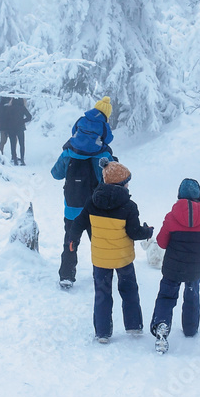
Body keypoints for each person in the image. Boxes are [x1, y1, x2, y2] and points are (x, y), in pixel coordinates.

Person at [66, 161, 153, 343]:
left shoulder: (92, 202)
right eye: (127, 181)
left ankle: (103, 333)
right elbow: (134, 232)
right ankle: (134, 326)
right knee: (129, 290)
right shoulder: (129, 206)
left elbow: (79, 223)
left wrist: (72, 239)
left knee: (102, 294)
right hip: (123, 259)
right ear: (121, 183)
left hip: (101, 259)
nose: (128, 184)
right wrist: (148, 231)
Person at [149, 178, 200, 354]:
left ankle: (162, 325)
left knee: (166, 296)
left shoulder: (171, 217)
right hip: (195, 269)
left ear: (179, 196)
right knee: (192, 295)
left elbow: (161, 243)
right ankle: (190, 329)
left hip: (172, 267)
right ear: (199, 196)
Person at [50, 143, 113, 290]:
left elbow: (56, 174)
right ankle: (102, 274)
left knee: (70, 242)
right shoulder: (102, 153)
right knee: (99, 242)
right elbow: (112, 178)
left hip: (72, 210)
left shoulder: (68, 153)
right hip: (95, 209)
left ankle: (66, 275)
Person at [3, 97, 32, 165]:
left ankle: (15, 159)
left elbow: (6, 120)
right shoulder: (22, 108)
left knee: (13, 144)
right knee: (21, 144)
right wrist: (22, 121)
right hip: (20, 128)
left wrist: (6, 130)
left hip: (11, 128)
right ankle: (22, 160)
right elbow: (29, 117)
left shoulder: (9, 108)